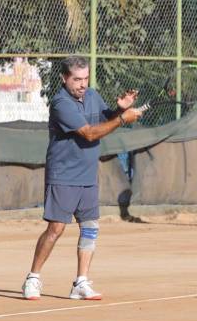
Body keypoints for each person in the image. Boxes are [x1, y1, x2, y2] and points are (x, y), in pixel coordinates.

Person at [22, 56, 143, 300]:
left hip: (87, 174)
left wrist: (118, 109)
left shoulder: (92, 96)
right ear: (64, 78)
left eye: (86, 78)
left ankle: (81, 282)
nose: (82, 84)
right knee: (56, 229)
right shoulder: (60, 103)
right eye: (77, 79)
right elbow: (89, 133)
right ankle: (33, 277)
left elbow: (103, 119)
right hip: (63, 175)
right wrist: (122, 119)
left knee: (90, 228)